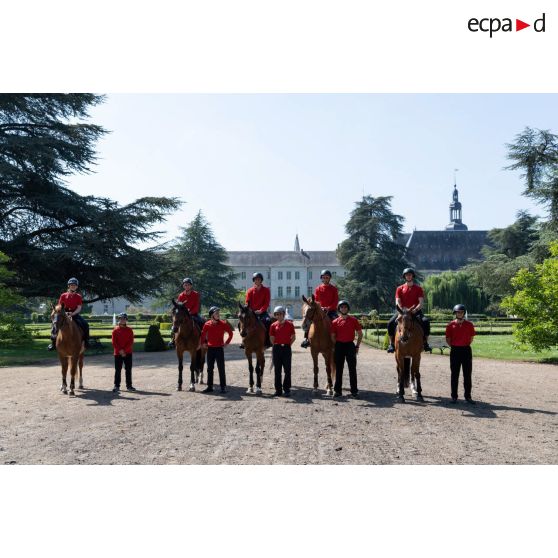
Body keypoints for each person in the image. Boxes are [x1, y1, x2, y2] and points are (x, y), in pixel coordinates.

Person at [386, 268, 431, 353]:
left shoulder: (418, 288)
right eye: (407, 275)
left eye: (410, 274)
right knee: (390, 323)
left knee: (426, 322)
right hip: (402, 312)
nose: (408, 276)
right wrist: (402, 310)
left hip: (415, 311)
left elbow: (421, 302)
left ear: (412, 276)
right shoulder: (399, 288)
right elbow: (397, 301)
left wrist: (415, 309)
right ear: (404, 276)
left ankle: (425, 343)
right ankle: (391, 344)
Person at [330, 300, 363, 398]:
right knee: (339, 369)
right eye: (341, 307)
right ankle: (337, 391)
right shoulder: (335, 322)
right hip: (339, 346)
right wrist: (336, 344)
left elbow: (360, 334)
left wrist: (357, 346)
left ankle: (354, 391)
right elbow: (332, 335)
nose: (343, 308)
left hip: (350, 346)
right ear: (339, 309)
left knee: (352, 369)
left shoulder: (353, 320)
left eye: (345, 307)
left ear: (348, 309)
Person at [445, 304, 476, 404]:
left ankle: (468, 396)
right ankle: (454, 396)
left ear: (464, 313)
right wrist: (455, 346)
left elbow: (471, 338)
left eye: (462, 312)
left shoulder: (469, 325)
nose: (460, 313)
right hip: (455, 351)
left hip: (466, 350)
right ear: (455, 313)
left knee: (467, 375)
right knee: (454, 375)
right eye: (458, 312)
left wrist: (464, 344)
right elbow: (448, 340)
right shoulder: (450, 325)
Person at [48, 277, 90, 350]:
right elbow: (59, 306)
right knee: (55, 324)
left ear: (76, 286)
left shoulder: (78, 296)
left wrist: (72, 314)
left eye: (74, 285)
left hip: (74, 314)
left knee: (85, 324)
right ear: (69, 286)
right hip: (63, 314)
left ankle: (86, 342)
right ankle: (53, 343)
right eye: (71, 285)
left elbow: (79, 308)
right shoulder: (63, 295)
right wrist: (54, 313)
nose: (73, 286)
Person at [301, 269, 338, 348]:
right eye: (323, 277)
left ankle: (338, 340)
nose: (325, 279)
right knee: (310, 320)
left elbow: (335, 302)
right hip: (320, 310)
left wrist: (328, 308)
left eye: (327, 277)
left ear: (329, 278)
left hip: (331, 311)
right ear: (321, 278)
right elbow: (316, 300)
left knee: (336, 321)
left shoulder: (334, 289)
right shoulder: (318, 289)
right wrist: (320, 307)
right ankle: (306, 339)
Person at [200, 306, 233, 393]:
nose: (218, 315)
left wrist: (226, 343)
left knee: (221, 368)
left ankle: (223, 387)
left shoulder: (223, 324)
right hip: (210, 349)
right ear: (212, 315)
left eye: (218, 313)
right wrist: (203, 343)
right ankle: (210, 386)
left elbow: (230, 333)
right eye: (216, 313)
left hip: (219, 349)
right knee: (209, 368)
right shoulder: (207, 324)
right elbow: (202, 335)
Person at [168, 277, 206, 348]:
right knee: (174, 324)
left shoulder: (196, 294)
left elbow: (196, 306)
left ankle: (204, 340)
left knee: (201, 322)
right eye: (185, 285)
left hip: (194, 314)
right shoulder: (181, 295)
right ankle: (173, 340)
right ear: (183, 286)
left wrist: (190, 313)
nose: (187, 286)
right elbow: (178, 306)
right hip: (183, 315)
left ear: (191, 286)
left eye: (188, 285)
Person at [269, 305, 296, 397]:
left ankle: (287, 389)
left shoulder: (290, 324)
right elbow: (272, 338)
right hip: (277, 348)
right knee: (277, 370)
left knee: (287, 370)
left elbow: (293, 337)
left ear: (283, 314)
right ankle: (278, 390)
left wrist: (287, 344)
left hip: (286, 349)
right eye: (276, 314)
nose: (278, 316)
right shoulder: (273, 325)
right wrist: (277, 344)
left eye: (280, 314)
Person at [242, 272, 272, 348]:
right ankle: (243, 341)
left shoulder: (266, 290)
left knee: (268, 321)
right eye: (255, 280)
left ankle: (267, 342)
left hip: (262, 312)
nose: (257, 281)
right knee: (242, 322)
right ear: (254, 281)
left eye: (258, 279)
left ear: (261, 280)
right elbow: (247, 302)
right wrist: (247, 309)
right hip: (251, 312)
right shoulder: (249, 291)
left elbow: (266, 303)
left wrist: (261, 310)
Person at [111, 312, 135, 393]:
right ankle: (116, 386)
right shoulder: (115, 330)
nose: (122, 320)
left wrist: (124, 350)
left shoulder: (130, 330)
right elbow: (114, 342)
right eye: (121, 318)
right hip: (118, 353)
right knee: (118, 370)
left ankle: (129, 386)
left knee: (128, 369)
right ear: (119, 319)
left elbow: (131, 342)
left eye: (124, 319)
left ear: (126, 320)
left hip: (128, 353)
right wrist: (120, 351)